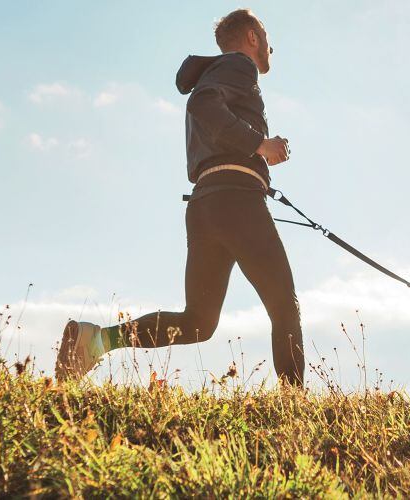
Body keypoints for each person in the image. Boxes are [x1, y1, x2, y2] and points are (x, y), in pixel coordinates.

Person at [54, 9, 304, 386]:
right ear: (252, 37)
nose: (272, 46)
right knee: (284, 304)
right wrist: (260, 144)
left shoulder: (219, 72)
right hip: (236, 202)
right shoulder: (239, 66)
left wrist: (259, 152)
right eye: (266, 36)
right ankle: (293, 406)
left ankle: (97, 339)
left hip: (206, 204)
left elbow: (207, 110)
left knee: (199, 322)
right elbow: (202, 104)